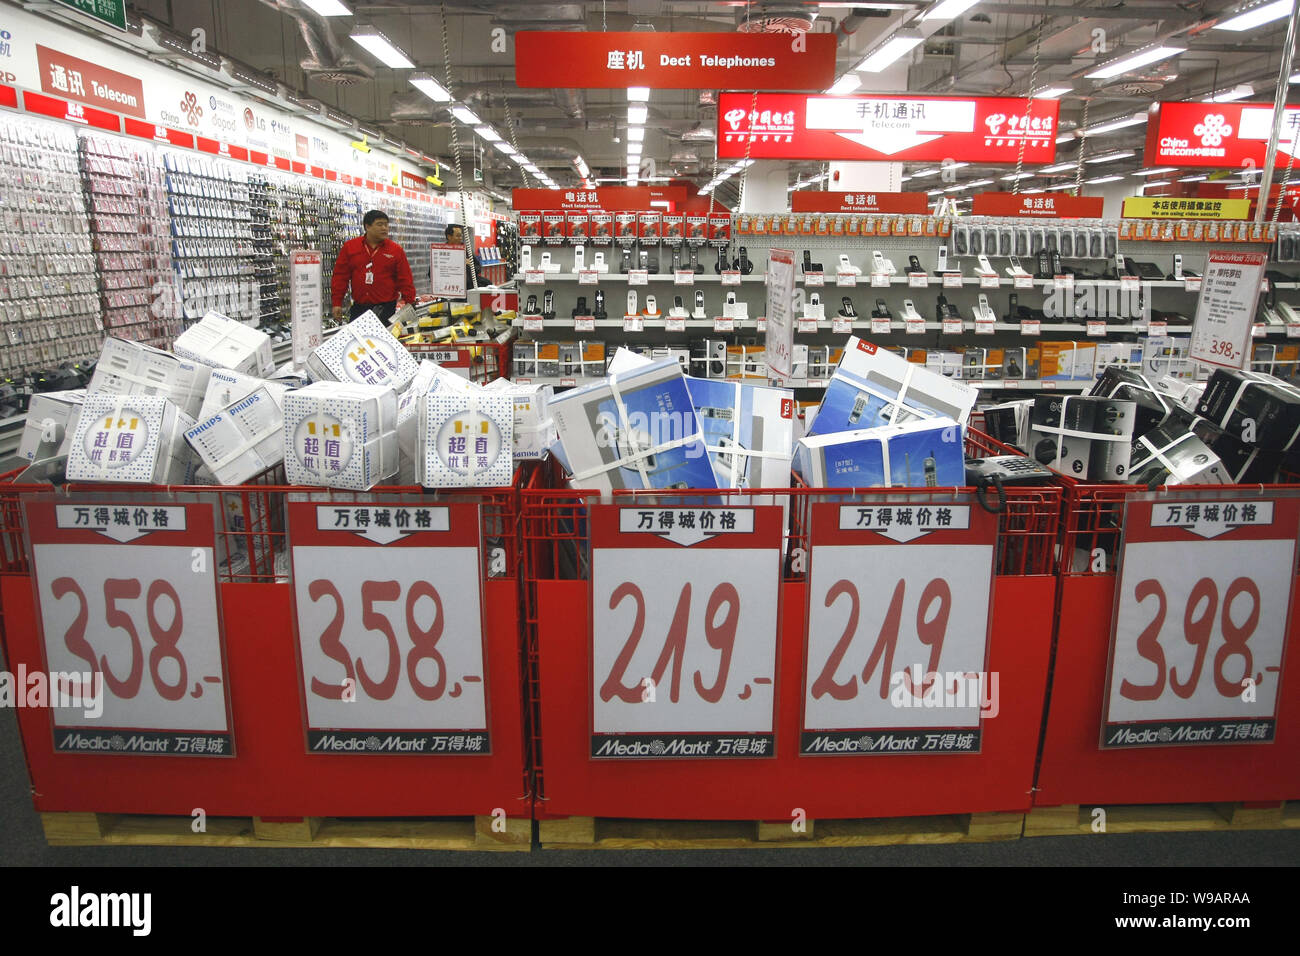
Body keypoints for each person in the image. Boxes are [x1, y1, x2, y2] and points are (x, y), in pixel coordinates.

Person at [331, 210, 416, 323]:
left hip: (386, 308)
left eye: (386, 225)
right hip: (359, 308)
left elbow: (405, 278)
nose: (384, 228)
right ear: (367, 226)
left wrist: (410, 302)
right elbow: (340, 277)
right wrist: (337, 302)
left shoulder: (395, 250)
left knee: (383, 339)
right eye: (380, 224)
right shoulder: (350, 247)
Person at [445, 222, 480, 292]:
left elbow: (478, 268)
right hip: (448, 289)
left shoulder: (467, 251)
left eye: (461, 236)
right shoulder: (440, 251)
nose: (460, 238)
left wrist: (470, 265)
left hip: (467, 288)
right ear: (449, 237)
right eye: (458, 236)